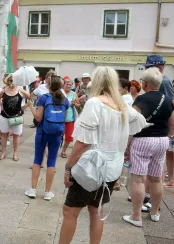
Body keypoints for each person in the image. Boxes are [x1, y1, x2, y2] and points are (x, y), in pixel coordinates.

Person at [59, 67, 147, 244]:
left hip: (91, 166)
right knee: (96, 210)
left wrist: (68, 167)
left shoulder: (95, 103)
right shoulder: (122, 105)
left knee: (70, 211)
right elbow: (139, 121)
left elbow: (83, 142)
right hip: (112, 166)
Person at [123, 67, 174, 227]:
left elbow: (132, 124)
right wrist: (166, 137)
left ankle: (136, 216)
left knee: (138, 179)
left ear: (145, 83)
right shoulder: (168, 100)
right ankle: (154, 213)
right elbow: (172, 125)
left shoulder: (141, 100)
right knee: (156, 179)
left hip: (143, 140)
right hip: (162, 140)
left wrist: (127, 146)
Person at [26, 75, 69, 201]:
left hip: (42, 132)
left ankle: (33, 189)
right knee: (51, 162)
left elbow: (38, 118)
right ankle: (48, 192)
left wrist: (31, 106)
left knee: (37, 160)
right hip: (56, 134)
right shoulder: (65, 100)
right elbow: (64, 119)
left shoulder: (44, 98)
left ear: (48, 85)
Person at [0, 74, 31, 161]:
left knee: (16, 135)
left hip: (17, 116)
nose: (12, 83)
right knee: (4, 135)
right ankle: (3, 152)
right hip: (5, 116)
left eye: (14, 81)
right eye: (11, 81)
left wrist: (25, 106)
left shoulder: (20, 90)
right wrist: (1, 105)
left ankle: (15, 153)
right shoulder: (4, 91)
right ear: (8, 81)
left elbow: (30, 97)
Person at [61, 78, 79, 158]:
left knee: (69, 136)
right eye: (67, 84)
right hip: (60, 118)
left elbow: (78, 104)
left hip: (70, 118)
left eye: (70, 84)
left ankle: (64, 150)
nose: (68, 86)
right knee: (57, 135)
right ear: (63, 85)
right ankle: (53, 150)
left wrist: (75, 103)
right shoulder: (60, 93)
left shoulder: (74, 94)